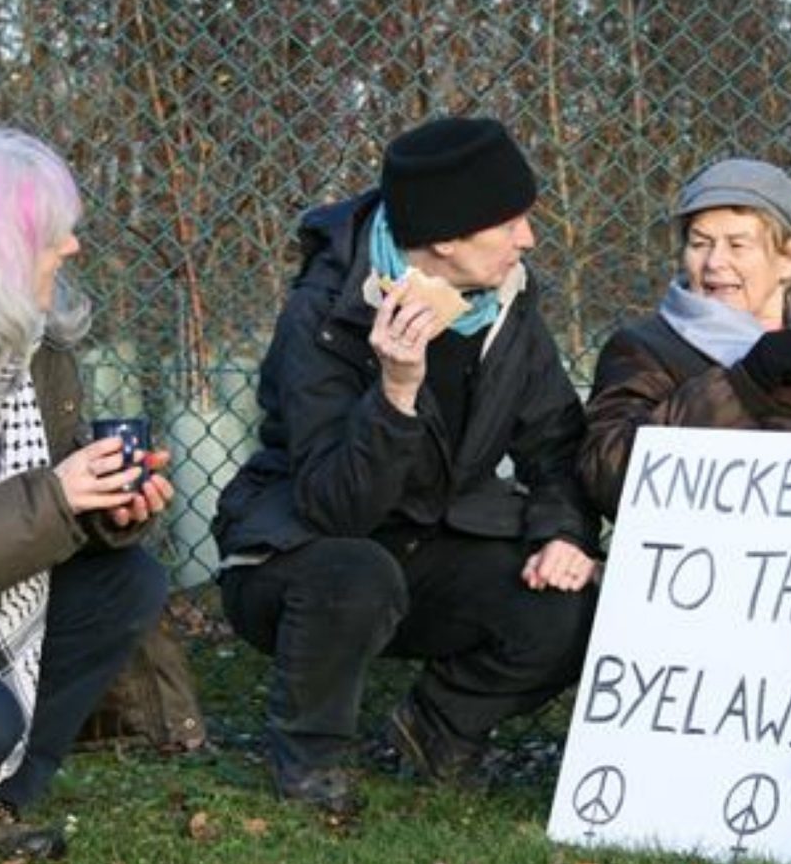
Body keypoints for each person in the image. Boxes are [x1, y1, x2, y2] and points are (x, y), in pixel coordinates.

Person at [213, 116, 600, 816]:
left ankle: (438, 728)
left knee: (575, 605)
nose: (529, 239)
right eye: (511, 222)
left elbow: (554, 445)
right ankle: (311, 759)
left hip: (430, 542)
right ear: (447, 237)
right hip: (300, 555)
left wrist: (564, 536)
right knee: (356, 570)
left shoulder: (508, 305)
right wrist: (394, 394)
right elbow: (335, 508)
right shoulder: (325, 314)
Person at [578, 156, 791, 807]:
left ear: (789, 257)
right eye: (699, 242)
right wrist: (741, 384)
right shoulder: (649, 346)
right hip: (737, 572)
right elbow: (610, 469)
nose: (713, 264)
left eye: (738, 245)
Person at [0, 125, 174, 859]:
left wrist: (104, 509)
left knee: (128, 581)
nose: (72, 247)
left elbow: (33, 514)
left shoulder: (34, 351)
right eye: (49, 235)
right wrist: (56, 499)